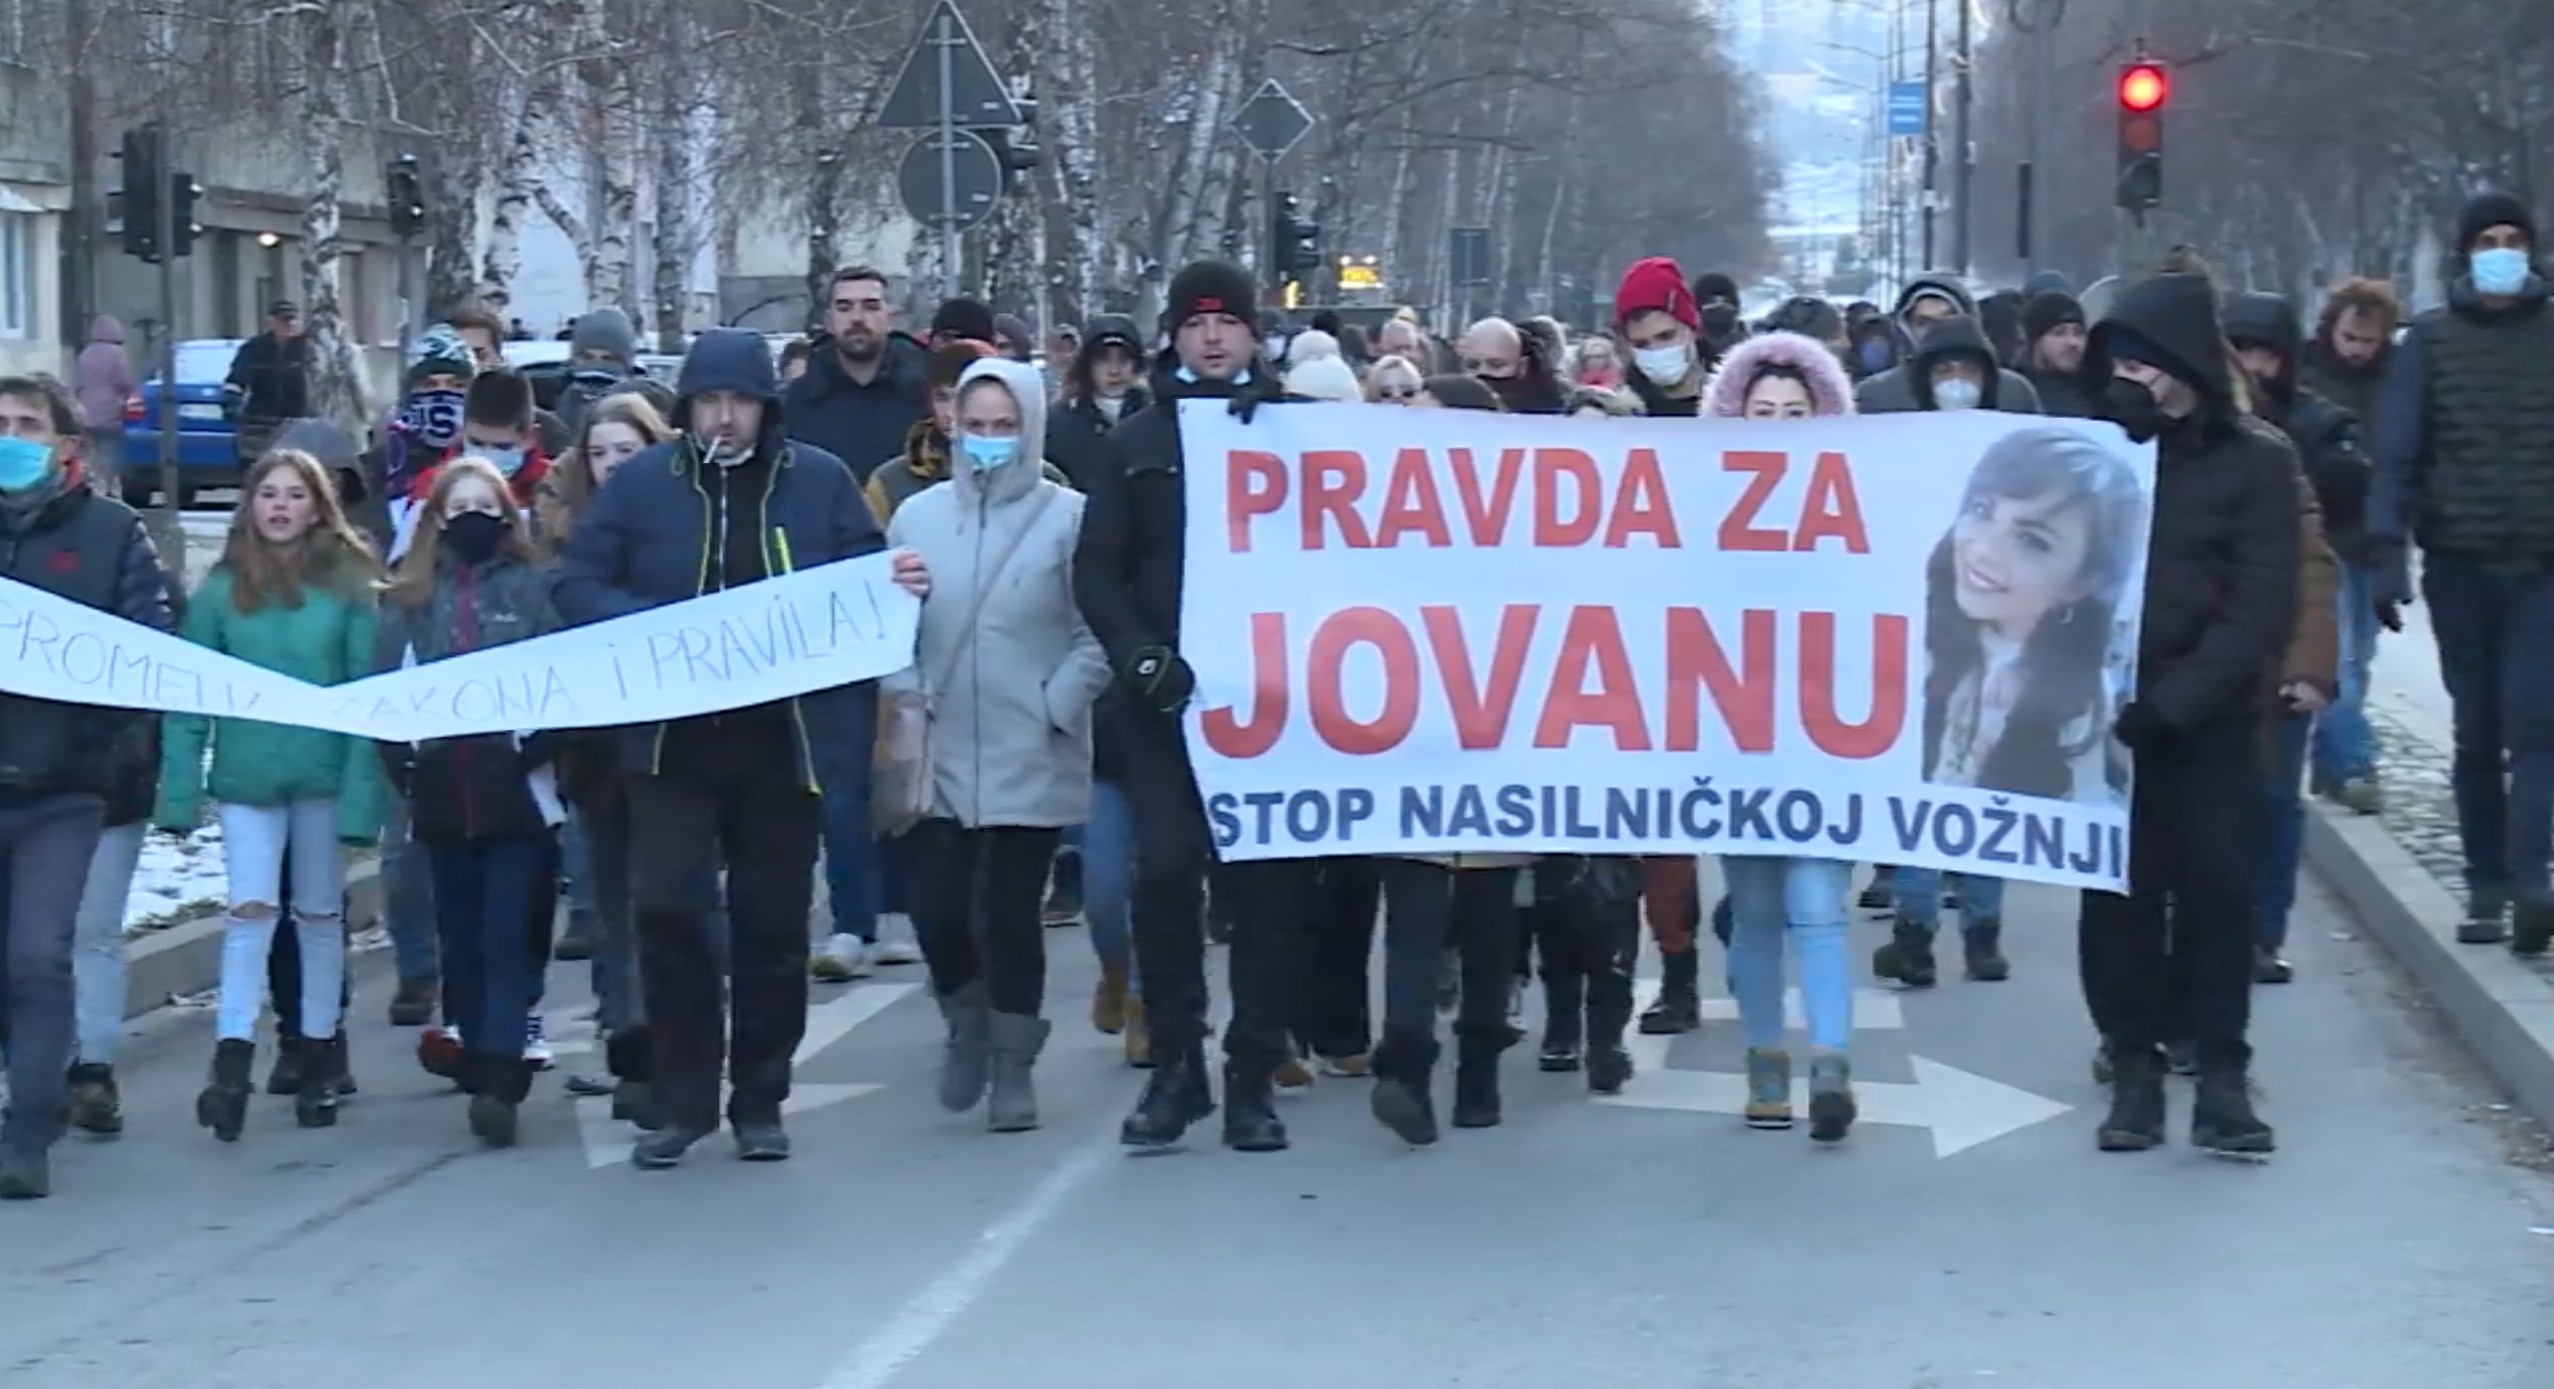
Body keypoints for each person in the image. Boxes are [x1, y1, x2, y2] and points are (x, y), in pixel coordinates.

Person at [553, 328, 931, 1168]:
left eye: (741, 402)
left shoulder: (819, 481)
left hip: (781, 743)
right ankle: (684, 1101)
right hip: (669, 746)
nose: (726, 418)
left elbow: (864, 583)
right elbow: (576, 581)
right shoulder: (646, 487)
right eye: (710, 402)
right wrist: (642, 628)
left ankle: (760, 1096)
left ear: (768, 406)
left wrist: (895, 583)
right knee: (673, 913)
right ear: (686, 407)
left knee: (771, 925)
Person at [1075, 260, 1310, 1153]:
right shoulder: (1135, 442)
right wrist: (1137, 652)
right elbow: (1097, 567)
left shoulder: (1299, 434)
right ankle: (1178, 1065)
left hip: (1275, 709)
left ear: (1255, 335)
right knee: (1166, 875)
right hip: (1166, 705)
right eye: (1196, 324)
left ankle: (1254, 1073)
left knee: (1267, 891)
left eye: (1230, 324)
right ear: (1172, 335)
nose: (1213, 339)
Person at [2078, 271, 2301, 1156]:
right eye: (2119, 360)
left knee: (2218, 892)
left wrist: (2177, 702)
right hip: (2108, 723)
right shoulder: (2092, 450)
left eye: (2147, 361)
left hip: (2208, 723)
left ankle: (2221, 1076)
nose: (2134, 377)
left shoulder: (2259, 459)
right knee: (2120, 902)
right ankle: (2132, 1069)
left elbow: (2260, 601)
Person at [886, 358, 1110, 1132]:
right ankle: (965, 1016)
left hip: (1029, 744)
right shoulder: (917, 518)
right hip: (938, 745)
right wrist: (905, 691)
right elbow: (889, 624)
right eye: (974, 425)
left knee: (1011, 910)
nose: (987, 440)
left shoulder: (1069, 518)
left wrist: (1058, 702)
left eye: (1003, 426)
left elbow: (1097, 629)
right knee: (937, 904)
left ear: (1030, 427)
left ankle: (1014, 1058)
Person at [158, 448, 386, 1140]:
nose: (280, 506)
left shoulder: (349, 585)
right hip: (247, 780)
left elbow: (364, 696)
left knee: (318, 915)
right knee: (249, 912)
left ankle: (317, 1053)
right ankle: (231, 1060)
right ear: (251, 506)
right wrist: (178, 789)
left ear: (318, 506)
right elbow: (188, 694)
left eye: (294, 494)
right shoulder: (222, 590)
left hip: (320, 777)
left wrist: (360, 799)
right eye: (268, 494)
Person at [0, 374, 172, 1199]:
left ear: (65, 444)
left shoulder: (110, 533)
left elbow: (153, 644)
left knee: (37, 954)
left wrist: (114, 747)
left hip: (62, 788)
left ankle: (29, 1124)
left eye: (26, 423)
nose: (10, 434)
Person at [2369, 192, 2554, 954]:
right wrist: (2386, 549)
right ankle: (2486, 882)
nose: (2503, 250)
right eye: (2490, 239)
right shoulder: (2432, 342)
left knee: (2536, 721)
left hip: (2543, 564)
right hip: (2460, 563)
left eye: (2515, 238)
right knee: (2477, 729)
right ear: (2468, 253)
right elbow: (2401, 447)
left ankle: (2533, 879)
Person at [1697, 331, 1867, 1140]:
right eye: (1761, 411)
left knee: (1817, 902)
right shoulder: (1698, 511)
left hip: (1827, 731)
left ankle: (1831, 1061)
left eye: (1795, 413)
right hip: (1736, 734)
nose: (1777, 427)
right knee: (1757, 905)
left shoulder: (1869, 503)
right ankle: (1767, 1061)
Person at [376, 457, 565, 1149]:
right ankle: (478, 1041)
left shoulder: (533, 587)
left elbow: (563, 679)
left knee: (510, 929)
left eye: (488, 503)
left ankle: (501, 1066)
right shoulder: (409, 597)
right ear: (436, 519)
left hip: (517, 792)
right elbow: (384, 693)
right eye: (459, 507)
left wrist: (531, 751)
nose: (473, 517)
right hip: (443, 796)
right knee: (460, 934)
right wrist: (407, 770)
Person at [534, 393, 678, 1119]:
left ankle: (678, 1037)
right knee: (611, 904)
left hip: (678, 746)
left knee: (673, 900)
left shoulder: (680, 525)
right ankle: (627, 1039)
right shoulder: (564, 537)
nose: (615, 464)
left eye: (628, 449)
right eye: (600, 452)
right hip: (595, 750)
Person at [2226, 291, 2359, 982]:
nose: (2252, 365)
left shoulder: (2303, 432)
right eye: (2240, 350)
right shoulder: (2197, 431)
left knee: (2276, 797)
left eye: (2264, 352)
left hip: (2280, 648)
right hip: (2209, 651)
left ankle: (2262, 931)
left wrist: (2312, 665)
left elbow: (2316, 561)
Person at [2299, 278, 2400, 815]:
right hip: (2321, 533)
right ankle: (2355, 762)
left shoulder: (2397, 379)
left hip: (2372, 537)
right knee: (2335, 659)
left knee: (2358, 659)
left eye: (2368, 340)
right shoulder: (2309, 371)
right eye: (2350, 337)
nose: (2357, 349)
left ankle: (2330, 753)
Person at [782, 266, 933, 486]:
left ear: (889, 317)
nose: (857, 318)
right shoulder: (796, 401)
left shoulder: (924, 394)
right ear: (829, 320)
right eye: (844, 308)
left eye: (871, 307)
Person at [447, 307, 570, 456]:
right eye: (456, 358)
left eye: (477, 355)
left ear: (499, 359)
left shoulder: (549, 430)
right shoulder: (420, 430)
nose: (467, 366)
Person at [1045, 316, 1148, 490]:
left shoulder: (1154, 419)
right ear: (1087, 365)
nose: (1114, 370)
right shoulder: (1059, 423)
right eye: (1103, 359)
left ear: (1136, 364)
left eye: (1123, 359)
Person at [1613, 257, 1710, 416]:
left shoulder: (1741, 401)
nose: (1656, 351)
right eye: (1641, 344)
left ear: (1691, 330)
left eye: (1666, 336)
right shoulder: (1620, 413)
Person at [222, 302, 312, 457]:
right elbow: (237, 379)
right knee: (257, 465)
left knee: (300, 465)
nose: (289, 324)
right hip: (261, 420)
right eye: (284, 320)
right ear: (271, 321)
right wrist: (231, 403)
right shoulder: (254, 348)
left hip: (300, 420)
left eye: (293, 320)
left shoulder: (310, 349)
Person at [72, 316, 134, 490]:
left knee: (90, 451)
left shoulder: (85, 353)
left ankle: (91, 482)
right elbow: (124, 381)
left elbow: (76, 382)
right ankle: (108, 486)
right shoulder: (117, 353)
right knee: (110, 449)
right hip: (110, 409)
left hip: (86, 409)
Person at [1459, 318, 1567, 414]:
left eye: (1496, 365)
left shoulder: (1559, 404)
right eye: (1472, 365)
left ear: (1522, 366)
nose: (1483, 372)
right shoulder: (1452, 399)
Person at [2017, 292, 2095, 417]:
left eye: (2078, 333)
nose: (2073, 342)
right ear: (2035, 340)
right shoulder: (2012, 393)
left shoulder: (2098, 395)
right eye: (2059, 333)